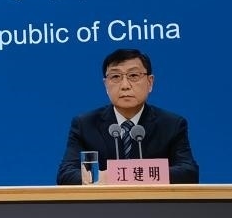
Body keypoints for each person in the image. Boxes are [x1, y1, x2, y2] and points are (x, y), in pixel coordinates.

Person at [56, 48, 199, 184]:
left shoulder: (171, 124)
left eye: (134, 76)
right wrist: (101, 178)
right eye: (115, 77)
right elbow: (66, 174)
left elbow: (189, 172)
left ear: (150, 82)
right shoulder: (85, 124)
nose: (125, 85)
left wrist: (119, 176)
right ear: (106, 85)